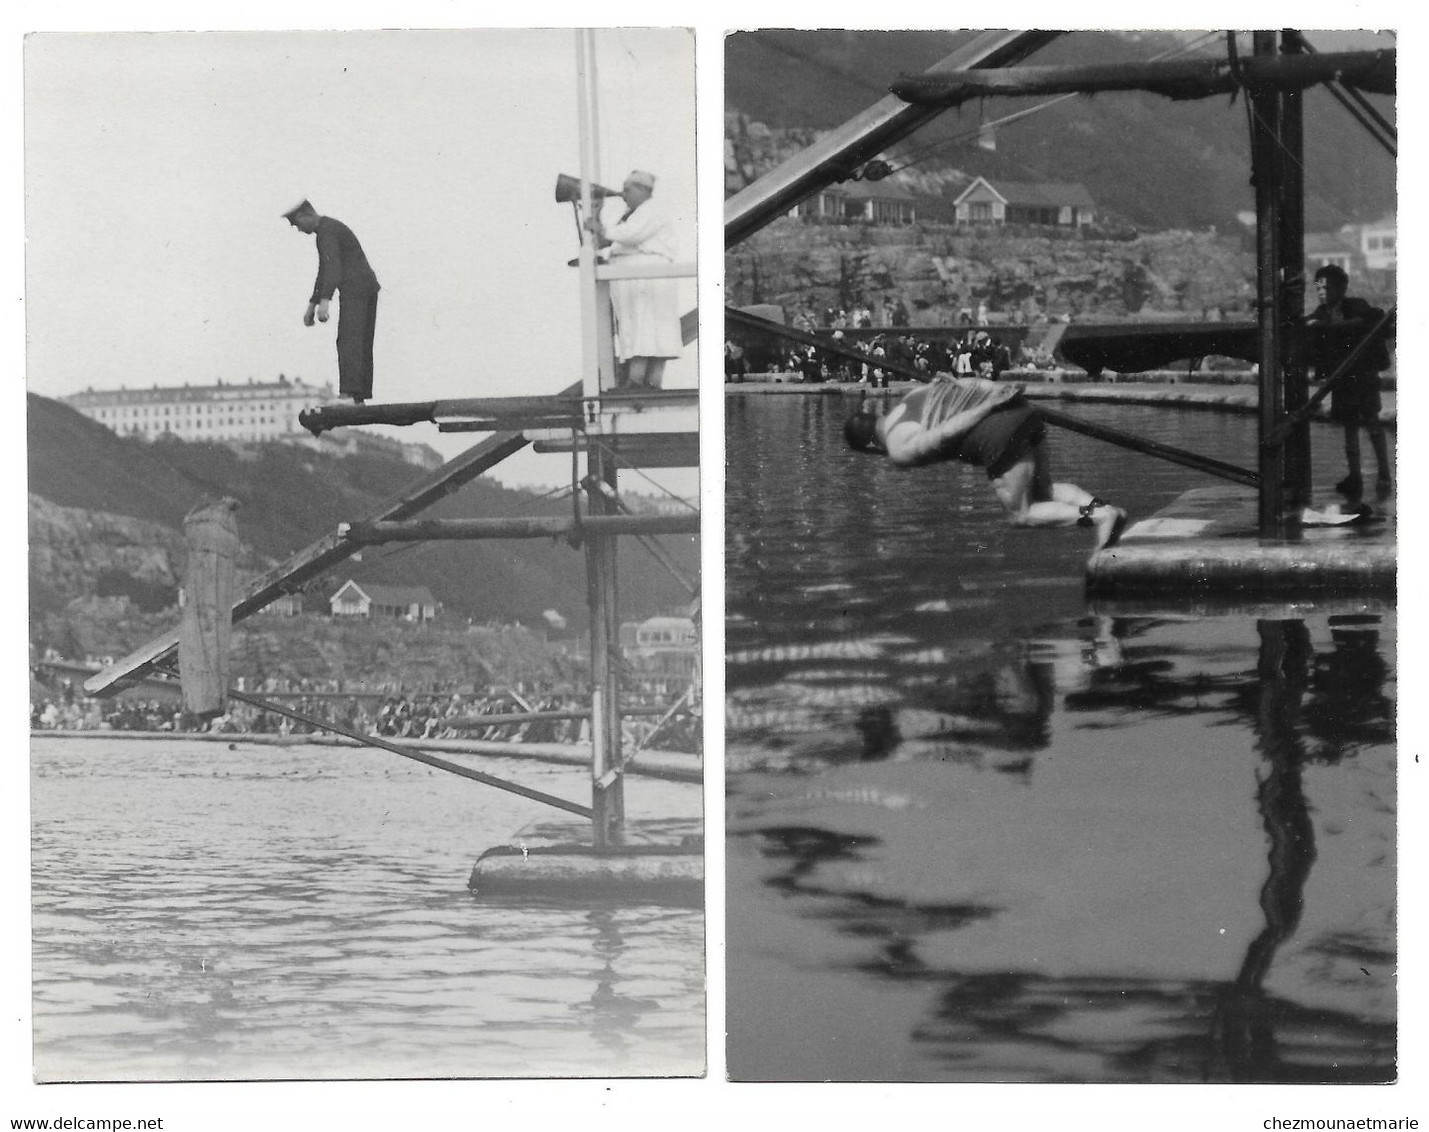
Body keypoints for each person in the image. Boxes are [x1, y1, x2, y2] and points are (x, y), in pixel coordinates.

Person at [843, 376, 1128, 550]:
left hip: (999, 434)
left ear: (870, 445)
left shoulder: (897, 446)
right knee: (1044, 492)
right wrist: (998, 393)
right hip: (1023, 412)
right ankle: (1106, 510)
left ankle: (1102, 518)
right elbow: (962, 385)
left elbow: (944, 433)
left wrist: (988, 406)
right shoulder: (912, 396)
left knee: (1021, 515)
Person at [584, 170, 680, 390]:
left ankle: (642, 381)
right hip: (635, 280)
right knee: (640, 328)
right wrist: (597, 215)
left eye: (627, 189)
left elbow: (631, 234)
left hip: (649, 278)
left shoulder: (652, 210)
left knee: (648, 327)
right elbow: (608, 241)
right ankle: (643, 381)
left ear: (643, 190)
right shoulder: (633, 214)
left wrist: (602, 228)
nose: (623, 194)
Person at [1303, 264, 1393, 496]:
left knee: (1371, 422)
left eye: (1327, 287)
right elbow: (1309, 324)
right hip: (1341, 377)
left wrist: (1330, 326)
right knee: (1349, 427)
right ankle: (1355, 476)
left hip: (1363, 374)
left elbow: (1369, 318)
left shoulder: (1355, 306)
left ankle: (1384, 473)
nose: (1322, 292)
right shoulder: (1321, 313)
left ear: (1341, 288)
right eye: (1319, 288)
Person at [283, 200, 380, 404]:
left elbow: (333, 267)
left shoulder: (326, 233)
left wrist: (324, 302)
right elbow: (324, 271)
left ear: (305, 215)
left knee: (348, 339)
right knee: (360, 342)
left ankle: (348, 395)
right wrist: (312, 304)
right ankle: (358, 397)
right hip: (367, 286)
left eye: (297, 224)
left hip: (355, 288)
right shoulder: (329, 229)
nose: (298, 230)